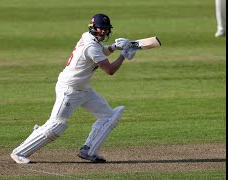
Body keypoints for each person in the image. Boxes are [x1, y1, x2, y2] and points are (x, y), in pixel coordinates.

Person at [10, 13, 137, 164]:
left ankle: (88, 150)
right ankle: (19, 152)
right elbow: (110, 70)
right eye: (100, 28)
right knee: (56, 126)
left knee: (109, 116)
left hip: (83, 89)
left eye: (105, 29)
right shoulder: (90, 45)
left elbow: (100, 51)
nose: (103, 31)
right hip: (69, 90)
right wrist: (123, 55)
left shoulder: (89, 38)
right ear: (93, 28)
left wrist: (114, 47)